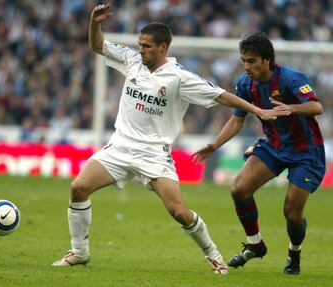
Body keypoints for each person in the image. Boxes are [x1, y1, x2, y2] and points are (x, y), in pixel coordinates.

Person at [52, 5, 286, 274]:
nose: (141, 50)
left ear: (163, 47)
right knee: (78, 188)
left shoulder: (180, 77)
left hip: (154, 154)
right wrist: (94, 24)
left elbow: (221, 95)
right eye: (140, 44)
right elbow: (98, 45)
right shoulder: (131, 60)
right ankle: (79, 253)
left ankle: (212, 253)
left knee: (179, 212)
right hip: (120, 145)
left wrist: (257, 110)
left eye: (147, 46)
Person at [193, 32, 326, 275]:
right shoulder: (245, 84)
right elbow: (236, 121)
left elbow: (317, 106)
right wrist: (215, 145)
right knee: (239, 189)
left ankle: (294, 251)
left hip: (306, 152)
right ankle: (255, 245)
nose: (246, 66)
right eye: (244, 60)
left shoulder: (291, 78)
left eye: (252, 61)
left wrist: (292, 108)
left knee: (292, 212)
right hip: (274, 147)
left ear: (266, 60)